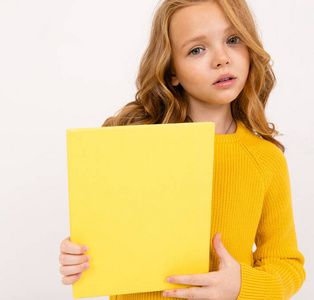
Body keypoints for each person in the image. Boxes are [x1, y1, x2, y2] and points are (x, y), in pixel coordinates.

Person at [59, 0, 306, 299]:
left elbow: (286, 264)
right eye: (196, 50)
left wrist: (241, 286)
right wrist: (80, 256)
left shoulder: (265, 160)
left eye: (232, 40)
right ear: (171, 71)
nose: (221, 58)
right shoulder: (129, 142)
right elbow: (104, 242)